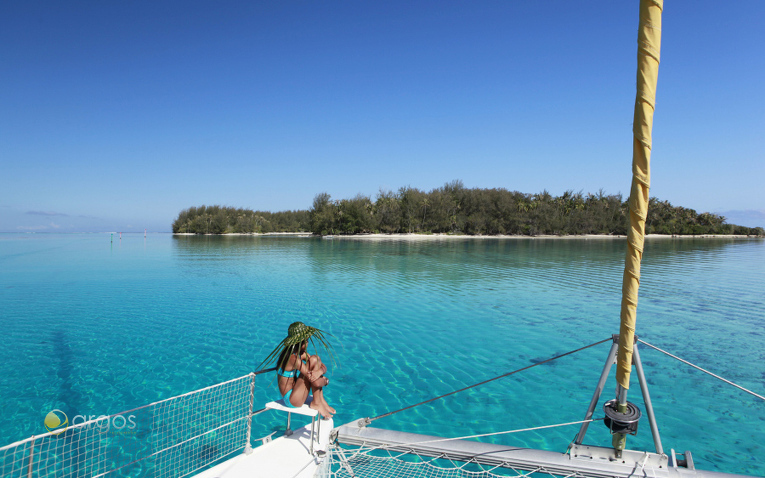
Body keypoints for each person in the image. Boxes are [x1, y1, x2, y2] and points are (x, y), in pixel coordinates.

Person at [259, 322, 335, 419]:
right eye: (306, 340)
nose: (308, 343)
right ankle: (317, 402)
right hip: (291, 400)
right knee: (314, 362)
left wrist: (320, 372)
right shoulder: (293, 359)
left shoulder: (297, 353)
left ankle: (320, 400)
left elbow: (322, 366)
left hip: (295, 391)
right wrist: (325, 381)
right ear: (300, 343)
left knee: (315, 359)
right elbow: (315, 382)